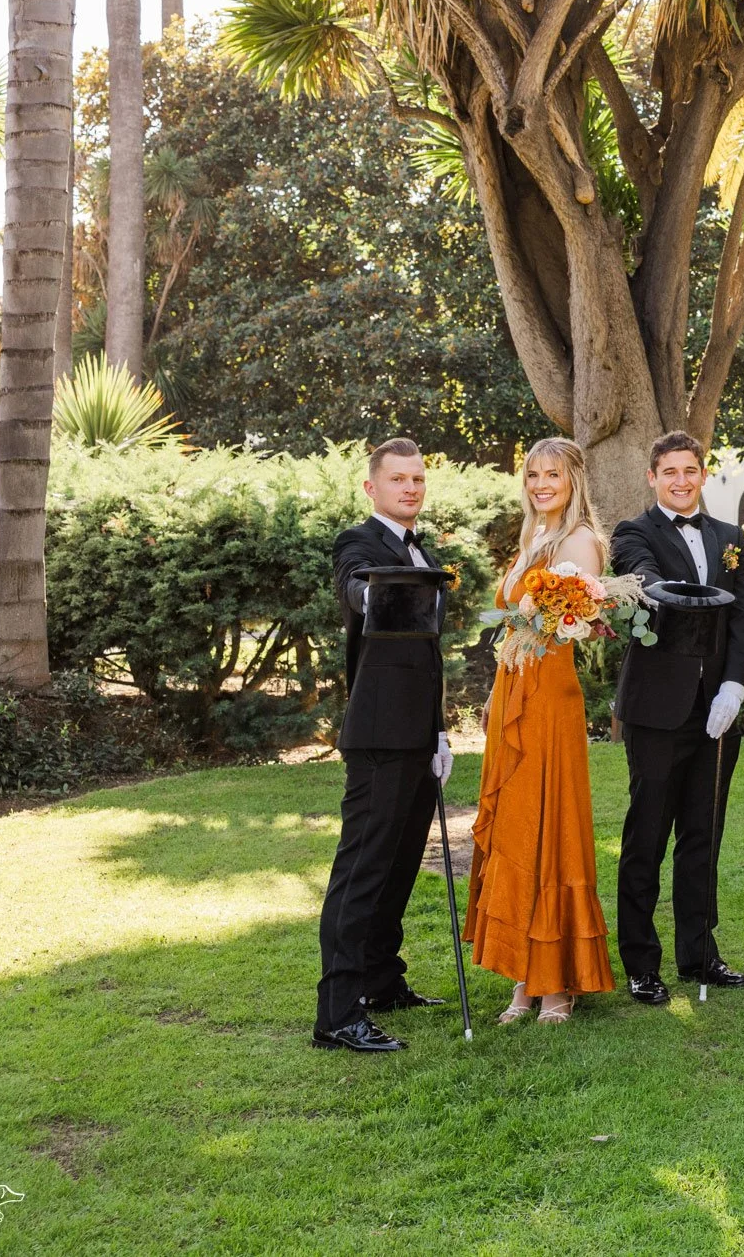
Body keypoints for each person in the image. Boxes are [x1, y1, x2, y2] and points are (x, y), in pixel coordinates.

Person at [464, 437, 617, 1023]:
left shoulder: (580, 540)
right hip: (514, 689)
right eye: (533, 475)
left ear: (573, 479)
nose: (541, 484)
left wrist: (546, 616)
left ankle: (557, 985)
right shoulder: (534, 535)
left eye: (552, 474)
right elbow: (514, 630)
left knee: (548, 825)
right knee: (517, 828)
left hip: (551, 696)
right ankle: (523, 979)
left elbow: (570, 624)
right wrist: (494, 694)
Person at [313, 438, 454, 1052]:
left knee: (399, 864)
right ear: (372, 488)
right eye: (398, 479)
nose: (410, 488)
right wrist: (377, 591)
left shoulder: (425, 550)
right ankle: (338, 1014)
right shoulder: (359, 544)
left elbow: (428, 655)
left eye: (417, 479)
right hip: (377, 734)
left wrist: (440, 730)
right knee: (363, 869)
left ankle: (381, 982)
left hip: (419, 733)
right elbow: (357, 588)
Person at [608, 431, 744, 1005]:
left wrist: (733, 686)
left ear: (702, 473)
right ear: (653, 477)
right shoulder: (633, 533)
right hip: (656, 709)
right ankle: (641, 963)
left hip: (716, 710)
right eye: (669, 471)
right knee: (646, 836)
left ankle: (700, 954)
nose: (680, 480)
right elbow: (643, 577)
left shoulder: (730, 537)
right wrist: (667, 590)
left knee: (704, 836)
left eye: (689, 470)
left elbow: (743, 615)